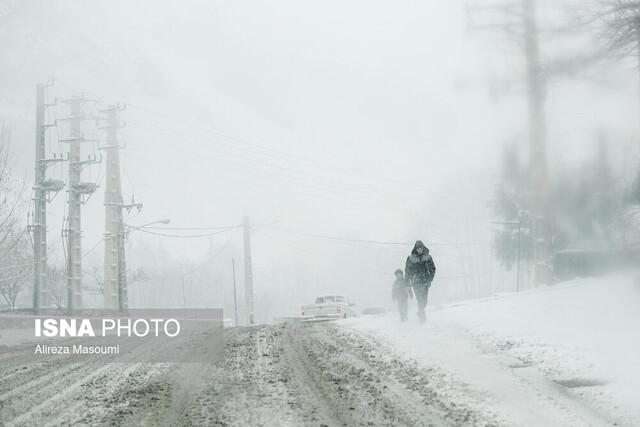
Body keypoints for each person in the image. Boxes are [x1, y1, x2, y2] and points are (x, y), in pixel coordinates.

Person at [405, 240, 436, 323]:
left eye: (421, 248)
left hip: (425, 282)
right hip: (416, 282)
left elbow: (433, 269)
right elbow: (407, 271)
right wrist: (407, 283)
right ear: (415, 249)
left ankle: (420, 312)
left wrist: (430, 279)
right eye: (418, 248)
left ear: (423, 248)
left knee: (425, 301)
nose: (419, 250)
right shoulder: (410, 259)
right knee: (419, 299)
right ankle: (422, 319)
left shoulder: (428, 257)